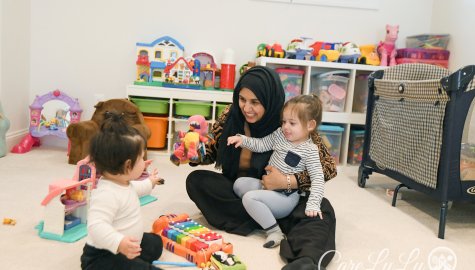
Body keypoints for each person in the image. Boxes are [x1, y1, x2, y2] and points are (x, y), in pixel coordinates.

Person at [186, 66, 337, 270]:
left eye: (255, 102)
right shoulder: (231, 115)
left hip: (283, 195)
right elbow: (212, 151)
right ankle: (266, 221)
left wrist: (287, 181)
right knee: (198, 181)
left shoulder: (289, 120)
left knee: (321, 209)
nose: (246, 108)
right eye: (242, 99)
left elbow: (327, 168)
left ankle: (305, 260)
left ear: (269, 99)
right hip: (242, 190)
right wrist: (194, 153)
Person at [227, 94, 325, 249]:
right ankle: (261, 213)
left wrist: (313, 204)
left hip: (285, 197)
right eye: (284, 121)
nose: (286, 126)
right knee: (239, 184)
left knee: (249, 198)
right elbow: (262, 144)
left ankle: (274, 231)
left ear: (310, 125)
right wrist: (243, 140)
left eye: (292, 123)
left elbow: (318, 179)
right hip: (266, 186)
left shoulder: (310, 150)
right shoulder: (280, 134)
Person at [80, 112, 164, 270]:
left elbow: (137, 189)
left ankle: (133, 255)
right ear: (127, 166)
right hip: (104, 256)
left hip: (127, 245)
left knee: (155, 244)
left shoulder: (125, 183)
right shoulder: (106, 194)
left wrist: (150, 182)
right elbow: (96, 226)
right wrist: (119, 243)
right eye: (141, 158)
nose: (144, 162)